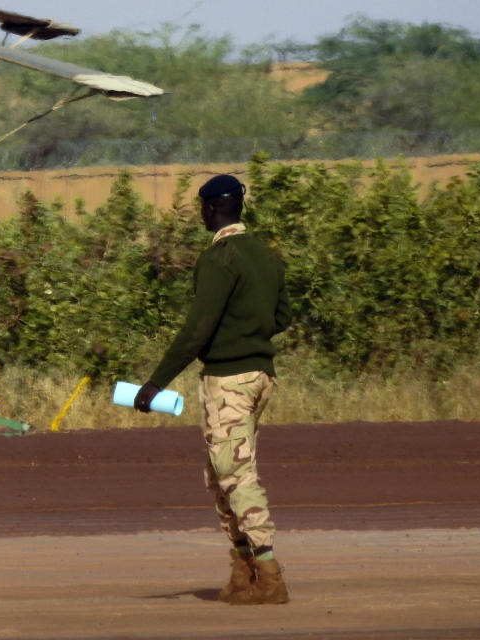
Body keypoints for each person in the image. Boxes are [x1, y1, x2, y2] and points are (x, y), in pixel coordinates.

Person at [133, 174, 292, 605]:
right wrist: (247, 326)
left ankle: (270, 573)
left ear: (209, 209)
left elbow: (197, 330)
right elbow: (281, 318)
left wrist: (155, 383)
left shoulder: (219, 259)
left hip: (228, 380)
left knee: (237, 476)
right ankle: (243, 572)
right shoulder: (267, 256)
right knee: (220, 474)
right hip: (260, 376)